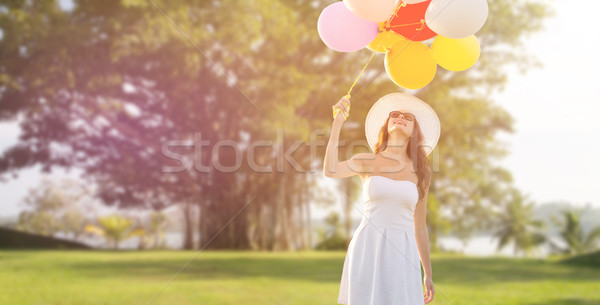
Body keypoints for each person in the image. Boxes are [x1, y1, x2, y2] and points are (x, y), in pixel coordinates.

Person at [323, 93, 440, 305]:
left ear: (415, 131)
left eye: (408, 116)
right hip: (368, 246)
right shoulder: (367, 160)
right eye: (394, 114)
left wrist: (428, 273)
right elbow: (330, 170)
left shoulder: (421, 172)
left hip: (403, 253)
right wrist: (337, 124)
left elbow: (420, 227)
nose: (400, 117)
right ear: (386, 125)